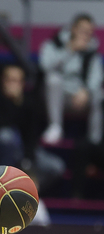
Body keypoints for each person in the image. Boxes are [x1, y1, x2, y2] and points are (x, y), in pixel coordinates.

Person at [0, 64, 65, 193]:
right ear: (2, 81)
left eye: (16, 81)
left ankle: (23, 190)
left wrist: (28, 160)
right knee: (6, 135)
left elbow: (32, 134)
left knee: (56, 166)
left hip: (25, 151)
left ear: (22, 83)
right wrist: (12, 103)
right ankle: (7, 185)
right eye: (9, 80)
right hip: (0, 154)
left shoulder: (29, 102)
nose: (12, 84)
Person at [39, 13, 103, 144]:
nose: (86, 35)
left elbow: (97, 78)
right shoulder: (55, 44)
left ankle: (94, 140)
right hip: (57, 95)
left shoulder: (92, 52)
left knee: (99, 94)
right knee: (53, 79)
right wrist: (70, 50)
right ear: (73, 28)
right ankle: (55, 127)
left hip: (80, 98)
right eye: (83, 30)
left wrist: (86, 91)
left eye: (89, 32)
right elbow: (46, 67)